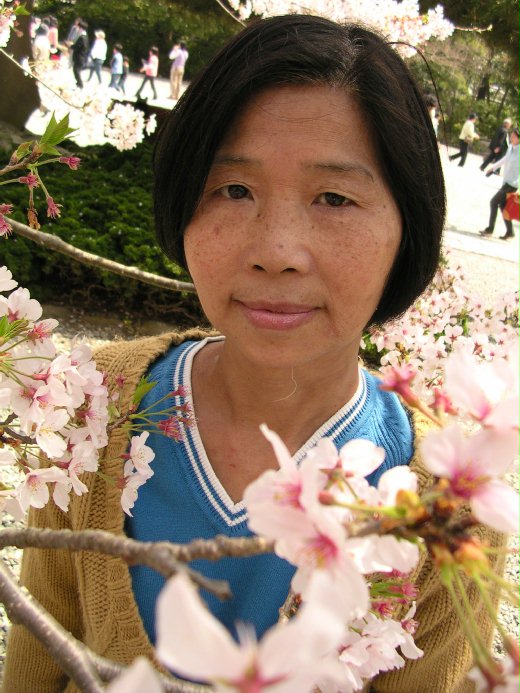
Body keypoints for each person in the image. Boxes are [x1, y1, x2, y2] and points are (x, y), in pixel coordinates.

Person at [3, 15, 505, 693]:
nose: (276, 251)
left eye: (335, 198)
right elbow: (38, 651)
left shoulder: (451, 505)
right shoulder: (95, 401)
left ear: (406, 228)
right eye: (234, 190)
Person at [479, 126, 520, 240]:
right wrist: (492, 168)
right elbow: (504, 160)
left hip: (512, 184)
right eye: (511, 135)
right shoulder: (511, 147)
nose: (511, 138)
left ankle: (490, 229)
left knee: (493, 202)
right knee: (503, 206)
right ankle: (510, 232)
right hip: (506, 182)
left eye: (514, 136)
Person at [70, 18, 89, 89]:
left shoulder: (82, 37)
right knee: (76, 70)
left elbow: (77, 46)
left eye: (78, 27)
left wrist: (71, 46)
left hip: (79, 57)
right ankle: (78, 83)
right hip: (81, 57)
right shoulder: (85, 36)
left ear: (81, 28)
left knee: (76, 71)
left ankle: (80, 85)